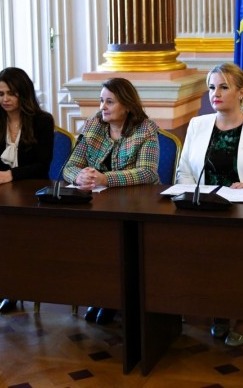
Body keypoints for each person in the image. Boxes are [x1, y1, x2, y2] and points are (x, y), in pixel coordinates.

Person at [176, 62, 243, 347]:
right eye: (212, 87)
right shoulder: (198, 125)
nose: (216, 93)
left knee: (241, 257)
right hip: (205, 210)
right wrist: (197, 195)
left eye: (224, 87)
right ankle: (220, 310)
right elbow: (184, 172)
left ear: (241, 92)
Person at [62, 77, 160, 325]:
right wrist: (80, 176)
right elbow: (69, 166)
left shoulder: (145, 129)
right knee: (91, 243)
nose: (102, 107)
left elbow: (147, 172)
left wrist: (106, 178)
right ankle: (102, 295)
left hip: (136, 205)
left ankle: (116, 299)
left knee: (118, 242)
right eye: (101, 101)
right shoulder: (93, 125)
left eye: (109, 102)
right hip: (98, 205)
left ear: (126, 105)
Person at [0, 67, 54, 314]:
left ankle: (17, 288)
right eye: (0, 93)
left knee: (18, 238)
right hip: (3, 194)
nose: (5, 99)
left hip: (34, 193)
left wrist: (11, 174)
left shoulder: (42, 121)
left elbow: (42, 165)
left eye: (11, 93)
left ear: (23, 94)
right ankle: (7, 287)